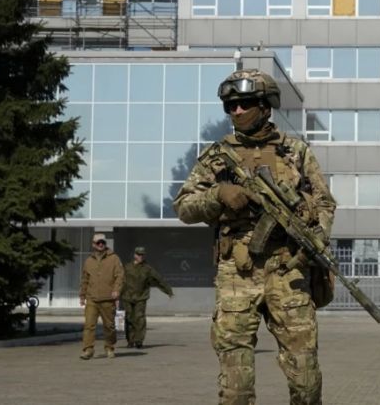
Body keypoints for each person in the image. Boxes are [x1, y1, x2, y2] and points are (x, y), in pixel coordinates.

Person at [174, 69, 336, 405]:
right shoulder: (216, 157)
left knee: (306, 378)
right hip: (237, 271)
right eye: (230, 105)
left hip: (288, 268)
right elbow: (184, 207)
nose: (236, 111)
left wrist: (314, 237)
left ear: (265, 105)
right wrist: (218, 194)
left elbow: (324, 203)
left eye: (244, 103)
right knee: (235, 383)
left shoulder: (296, 152)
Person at [79, 233, 124, 360]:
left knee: (109, 326)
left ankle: (109, 347)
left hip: (108, 299)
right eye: (98, 242)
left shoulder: (114, 258)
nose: (100, 245)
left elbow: (120, 276)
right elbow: (84, 279)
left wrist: (116, 290)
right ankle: (88, 349)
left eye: (102, 242)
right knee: (89, 325)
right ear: (93, 244)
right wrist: (82, 295)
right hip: (92, 299)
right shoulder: (89, 261)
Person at [121, 246, 174, 349]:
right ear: (135, 255)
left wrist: (168, 291)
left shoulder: (147, 269)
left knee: (139, 318)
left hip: (141, 297)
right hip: (127, 297)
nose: (141, 256)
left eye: (142, 255)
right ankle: (130, 340)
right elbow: (120, 281)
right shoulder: (127, 267)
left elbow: (158, 279)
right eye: (139, 254)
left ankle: (139, 340)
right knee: (129, 318)